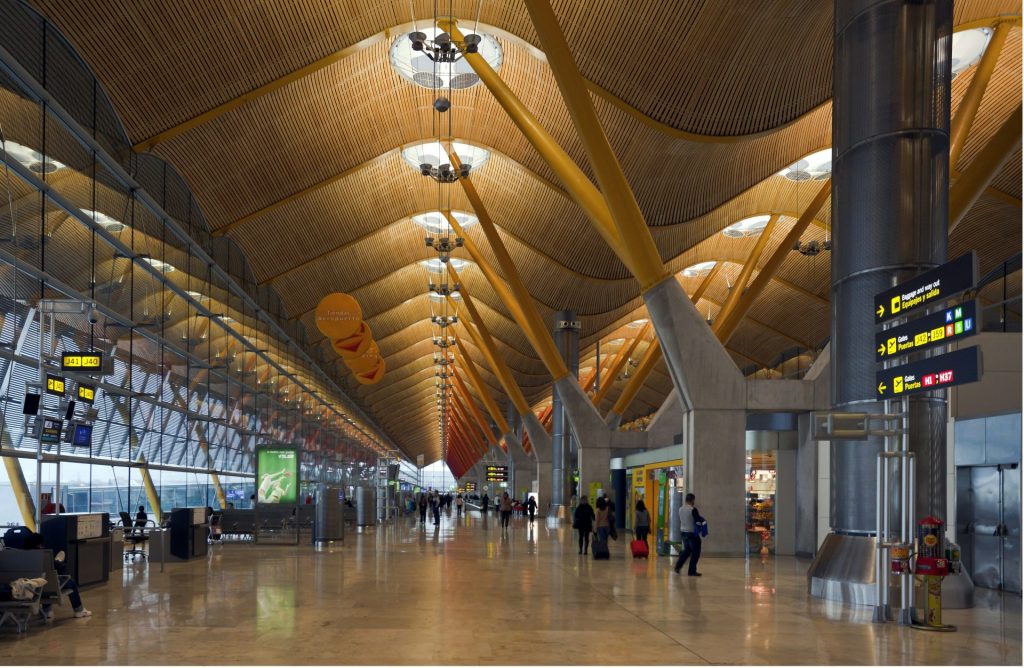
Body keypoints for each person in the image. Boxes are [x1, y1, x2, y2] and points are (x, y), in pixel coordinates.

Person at [23, 531, 91, 619]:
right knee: (70, 583)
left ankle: (47, 611)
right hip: (47, 585)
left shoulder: (22, 556)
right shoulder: (45, 555)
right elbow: (60, 572)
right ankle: (79, 610)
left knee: (43, 581)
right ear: (40, 545)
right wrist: (59, 564)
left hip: (30, 587)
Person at [674, 493, 703, 576]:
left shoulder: (680, 509)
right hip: (692, 533)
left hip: (683, 533)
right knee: (696, 552)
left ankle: (678, 566)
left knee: (687, 551)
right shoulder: (693, 510)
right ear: (692, 500)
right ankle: (692, 571)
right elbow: (698, 521)